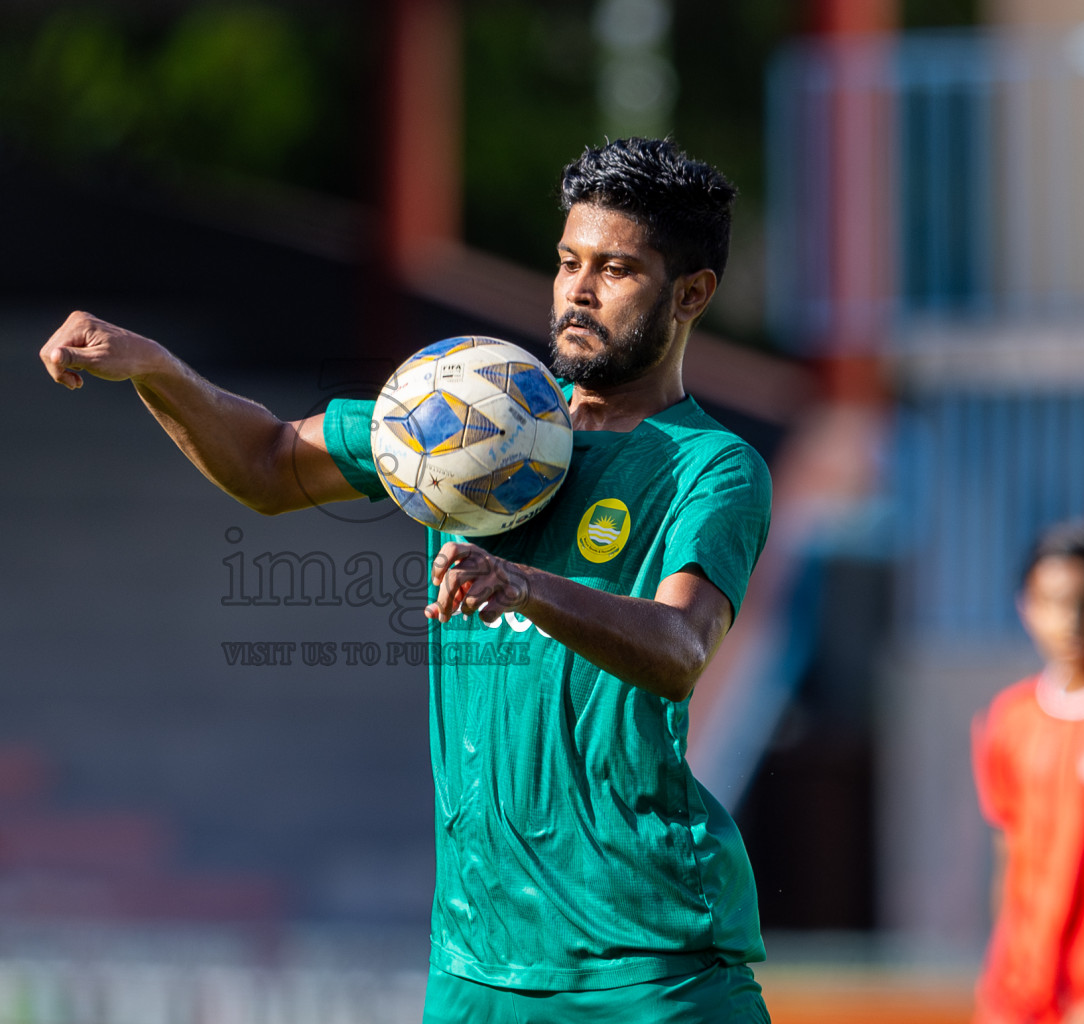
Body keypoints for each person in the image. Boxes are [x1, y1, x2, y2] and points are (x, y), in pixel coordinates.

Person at [39, 136, 773, 1022]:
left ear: (691, 294)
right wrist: (156, 371)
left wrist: (526, 587)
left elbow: (680, 645)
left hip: (651, 967)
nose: (579, 290)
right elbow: (270, 462)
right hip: (477, 967)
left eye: (616, 270)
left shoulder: (710, 468)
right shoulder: (468, 410)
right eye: (568, 262)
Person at [972, 520, 1084, 1024]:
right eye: (1050, 601)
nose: (1069, 620)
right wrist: (1001, 979)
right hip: (1020, 998)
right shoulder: (1009, 718)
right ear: (1025, 607)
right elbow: (1009, 861)